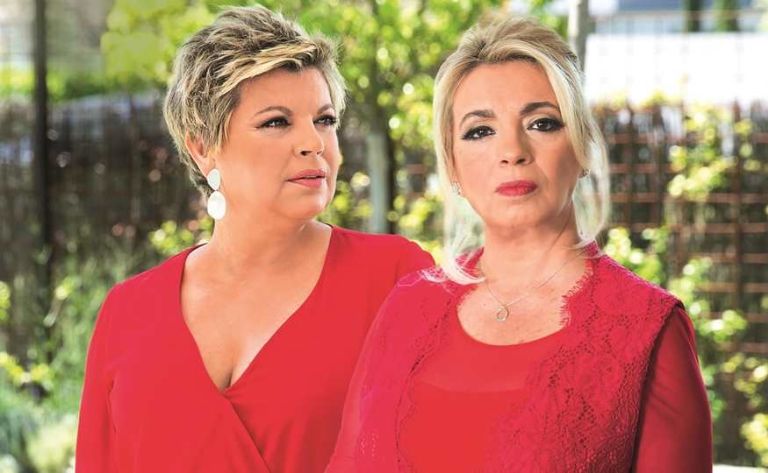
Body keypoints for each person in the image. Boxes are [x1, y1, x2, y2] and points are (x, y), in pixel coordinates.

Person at [328, 15, 712, 472]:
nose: (512, 151)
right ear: (452, 163)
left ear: (583, 147)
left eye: (542, 123)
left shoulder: (649, 328)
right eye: (480, 131)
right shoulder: (407, 306)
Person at [75, 6, 432, 472]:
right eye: (276, 122)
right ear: (202, 146)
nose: (314, 143)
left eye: (324, 120)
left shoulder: (397, 281)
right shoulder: (127, 313)